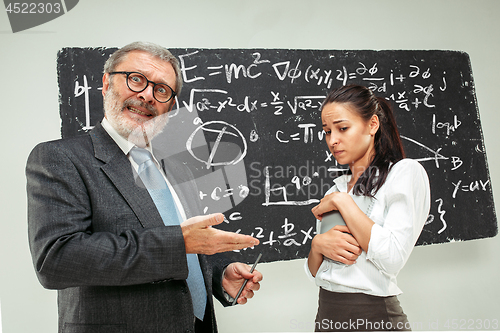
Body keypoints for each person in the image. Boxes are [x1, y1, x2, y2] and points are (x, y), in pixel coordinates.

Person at [26, 41, 262, 333]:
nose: (148, 95)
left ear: (170, 106)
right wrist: (179, 243)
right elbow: (57, 260)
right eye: (136, 79)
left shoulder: (176, 162)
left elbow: (186, 238)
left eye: (162, 90)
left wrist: (220, 273)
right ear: (106, 83)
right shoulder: (60, 158)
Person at [305, 84, 430, 332]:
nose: (333, 140)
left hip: (374, 318)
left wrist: (344, 203)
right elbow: (320, 274)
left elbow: (393, 258)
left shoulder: (403, 173)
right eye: (327, 131)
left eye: (342, 128)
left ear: (372, 125)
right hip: (326, 316)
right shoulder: (335, 189)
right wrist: (317, 246)